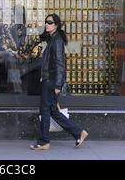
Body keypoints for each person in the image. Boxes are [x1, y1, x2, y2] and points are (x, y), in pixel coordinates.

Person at [30, 13, 88, 150]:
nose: (47, 24)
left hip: (51, 81)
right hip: (49, 79)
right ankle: (79, 133)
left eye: (50, 22)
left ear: (56, 25)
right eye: (46, 22)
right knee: (52, 111)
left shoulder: (57, 41)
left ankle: (44, 141)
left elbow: (60, 64)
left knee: (44, 110)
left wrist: (58, 84)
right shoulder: (52, 39)